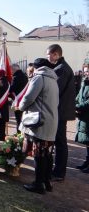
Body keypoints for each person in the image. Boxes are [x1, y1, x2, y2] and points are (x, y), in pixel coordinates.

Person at [20, 58, 59, 194]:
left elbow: (29, 97)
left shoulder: (39, 77)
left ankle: (38, 184)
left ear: (37, 67)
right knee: (47, 154)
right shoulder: (53, 79)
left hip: (40, 121)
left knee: (39, 154)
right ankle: (46, 182)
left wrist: (20, 106)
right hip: (51, 120)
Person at [46, 44, 75, 181]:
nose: (48, 57)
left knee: (60, 142)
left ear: (56, 54)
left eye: (49, 55)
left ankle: (58, 172)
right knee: (59, 142)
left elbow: (55, 90)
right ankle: (58, 171)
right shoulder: (62, 67)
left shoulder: (61, 69)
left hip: (59, 111)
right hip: (61, 110)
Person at [75, 65, 89, 174]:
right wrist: (74, 104)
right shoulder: (85, 82)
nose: (86, 73)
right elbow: (79, 97)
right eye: (85, 71)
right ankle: (87, 162)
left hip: (86, 114)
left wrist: (78, 107)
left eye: (88, 71)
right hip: (84, 116)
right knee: (88, 142)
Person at [10, 63, 28, 132]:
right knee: (23, 118)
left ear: (13, 70)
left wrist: (8, 88)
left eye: (11, 70)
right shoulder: (25, 76)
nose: (11, 72)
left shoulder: (16, 77)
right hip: (24, 99)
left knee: (18, 118)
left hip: (18, 100)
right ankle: (23, 133)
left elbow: (13, 88)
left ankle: (19, 133)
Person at [0, 69, 10, 141]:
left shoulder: (0, 82)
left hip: (0, 103)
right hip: (4, 103)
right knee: (2, 121)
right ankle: (1, 135)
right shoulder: (6, 81)